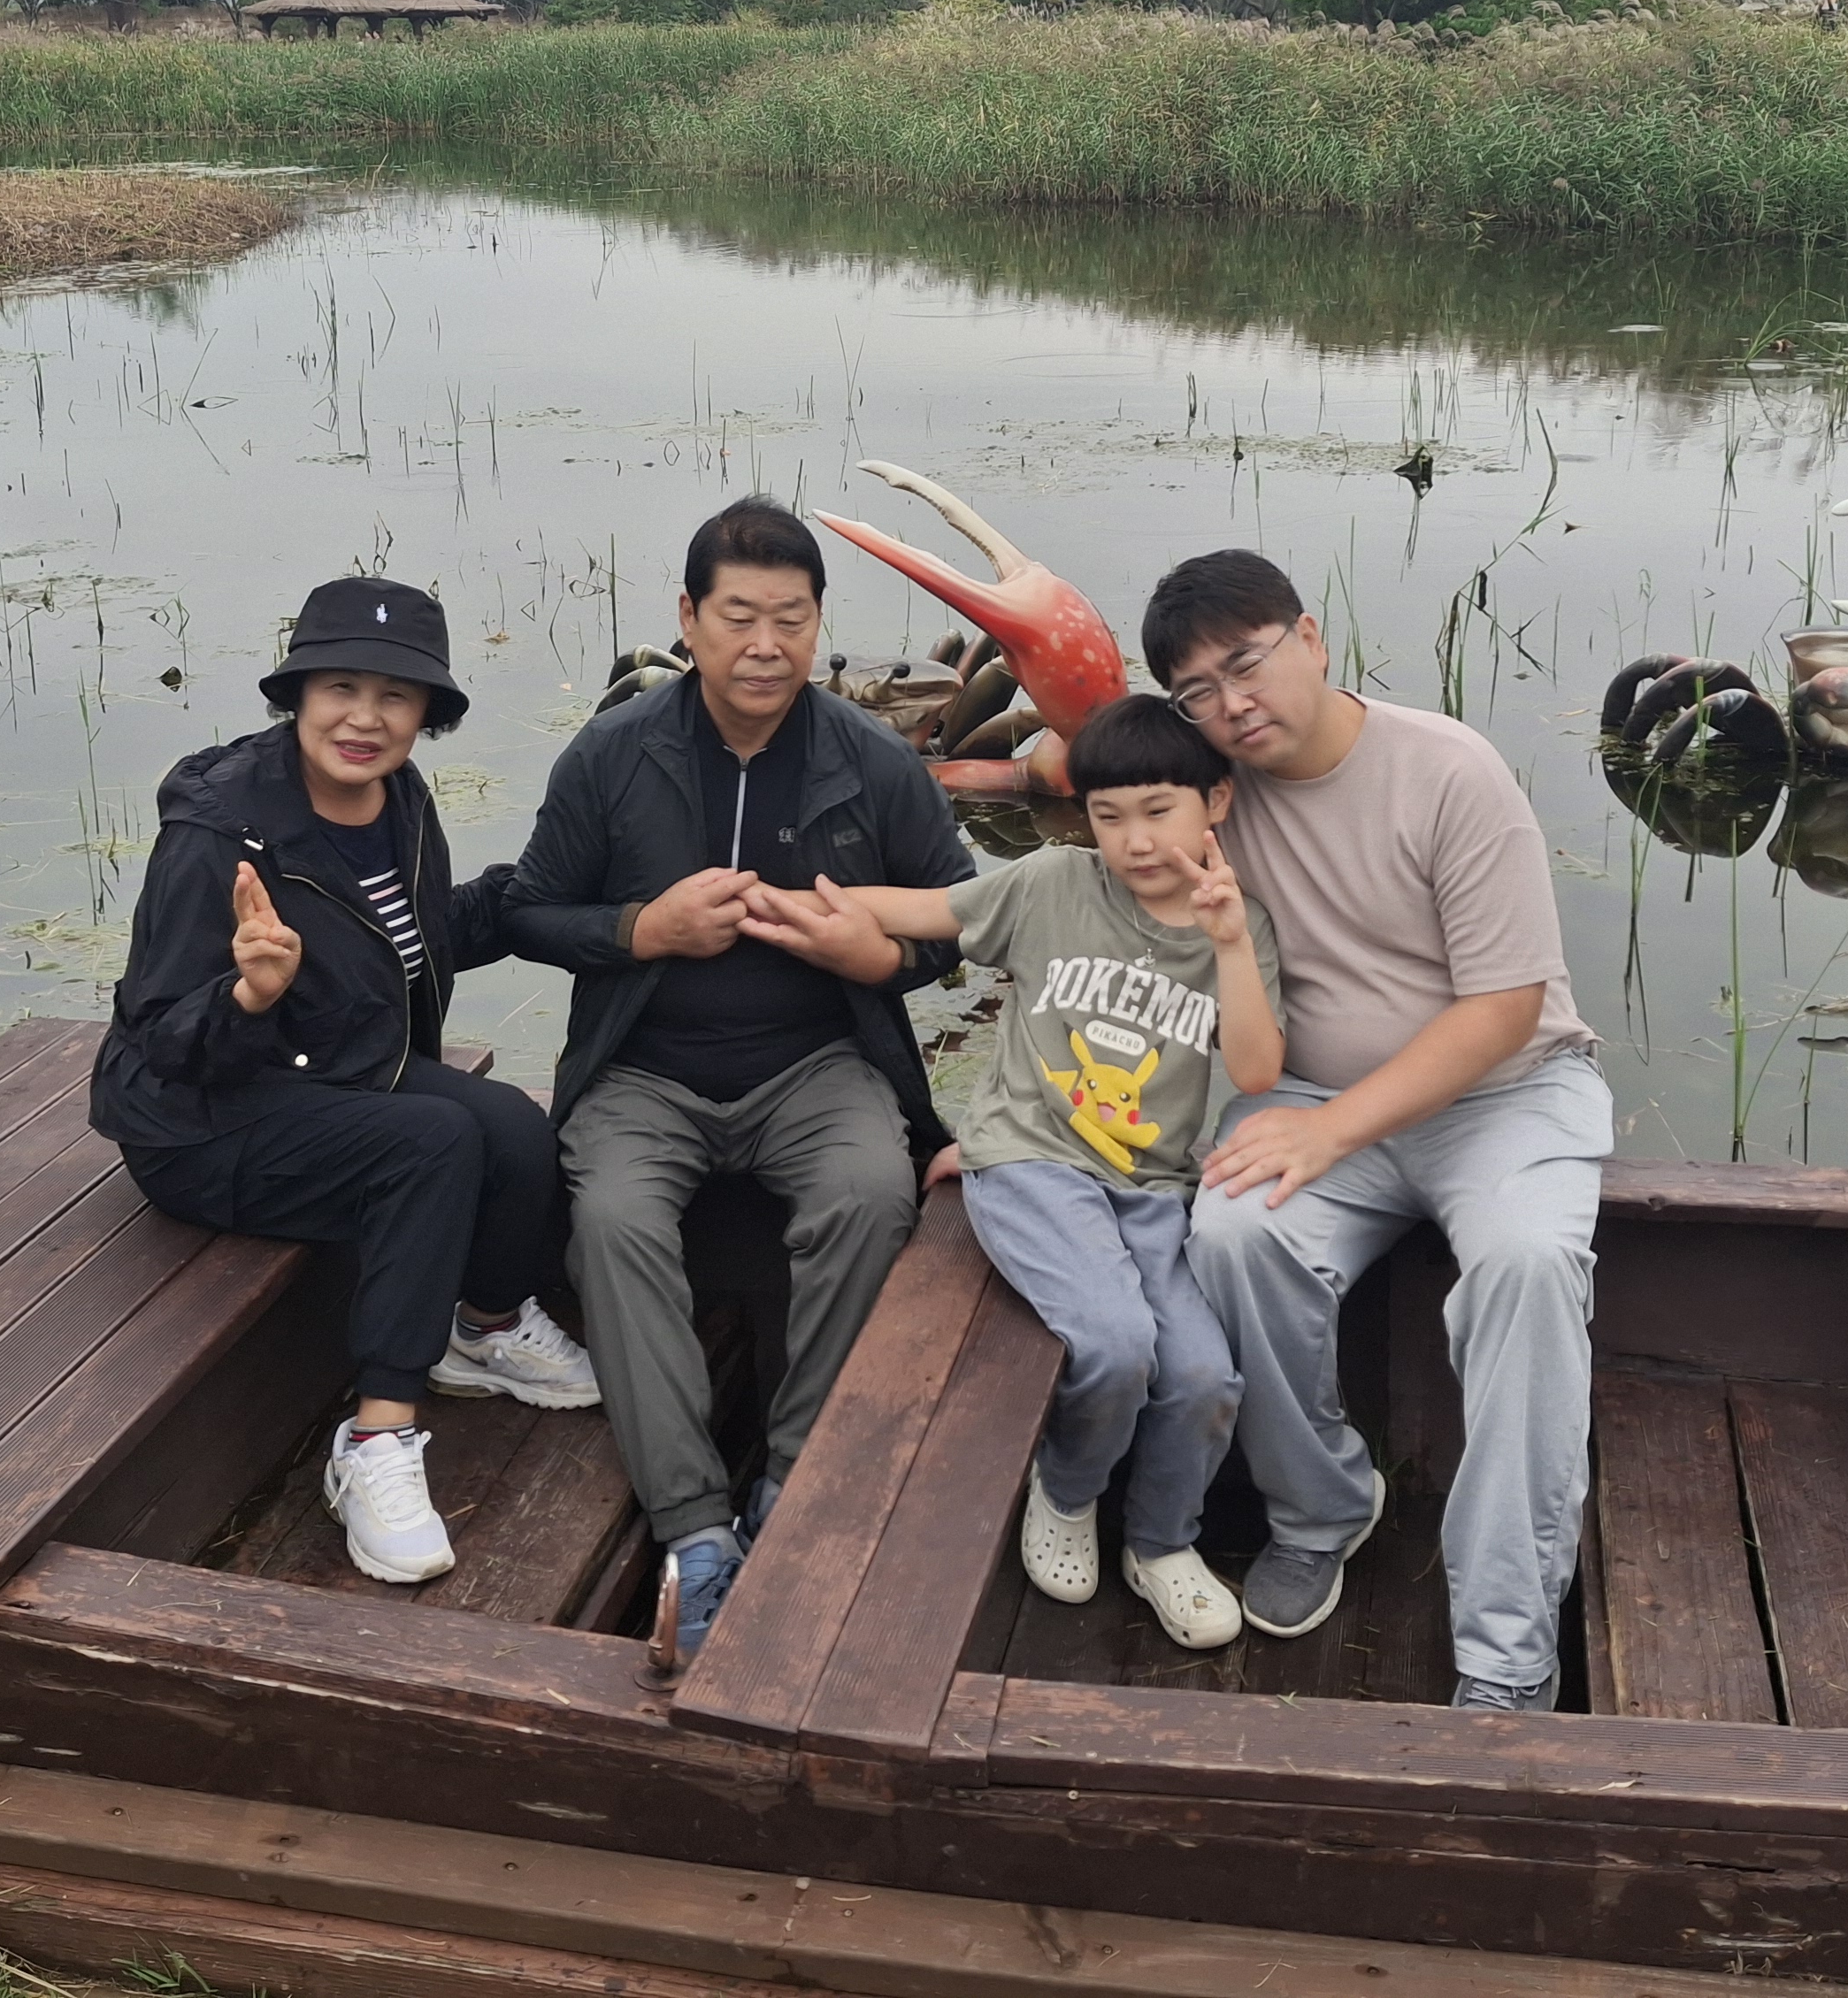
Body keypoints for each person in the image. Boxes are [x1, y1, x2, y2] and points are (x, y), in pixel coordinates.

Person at [503, 497, 976, 1657]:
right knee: (611, 1221)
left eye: (791, 619)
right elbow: (529, 910)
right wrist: (641, 930)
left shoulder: (873, 761)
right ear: (690, 619)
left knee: (871, 1192)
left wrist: (878, 958)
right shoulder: (613, 755)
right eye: (739, 618)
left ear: (817, 624)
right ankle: (696, 1530)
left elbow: (965, 913)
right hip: (644, 1071)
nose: (765, 646)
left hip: (818, 1064)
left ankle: (796, 1485)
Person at [1146, 550, 1608, 1710]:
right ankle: (1321, 1509)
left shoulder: (1448, 769)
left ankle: (1507, 1660)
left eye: (1247, 664)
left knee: (1529, 1269)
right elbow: (1089, 781)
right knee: (1232, 1235)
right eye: (1197, 692)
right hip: (1310, 1098)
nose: (1231, 704)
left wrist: (1335, 1132)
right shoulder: (1210, 795)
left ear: (1311, 638)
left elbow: (1505, 1008)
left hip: (1504, 1096)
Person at [91, 576, 596, 1588]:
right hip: (201, 1117)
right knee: (434, 1144)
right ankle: (376, 1439)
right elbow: (162, 1040)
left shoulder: (397, 798)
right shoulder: (219, 832)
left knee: (514, 1129)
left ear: (426, 712)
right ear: (298, 694)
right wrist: (249, 993)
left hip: (340, 1068)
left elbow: (416, 938)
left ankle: (484, 1328)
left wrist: (563, 886)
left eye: (395, 696)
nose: (365, 718)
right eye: (342, 689)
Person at [747, 693, 1281, 1650]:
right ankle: (1067, 1492)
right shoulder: (1052, 883)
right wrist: (797, 900)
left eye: (1159, 811)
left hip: (1151, 1188)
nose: (1135, 840)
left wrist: (1232, 943)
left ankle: (1161, 1542)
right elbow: (925, 911)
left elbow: (1255, 1071)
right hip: (1030, 1164)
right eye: (1108, 816)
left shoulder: (1241, 927)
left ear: (1217, 802)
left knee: (1205, 1375)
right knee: (1115, 1340)